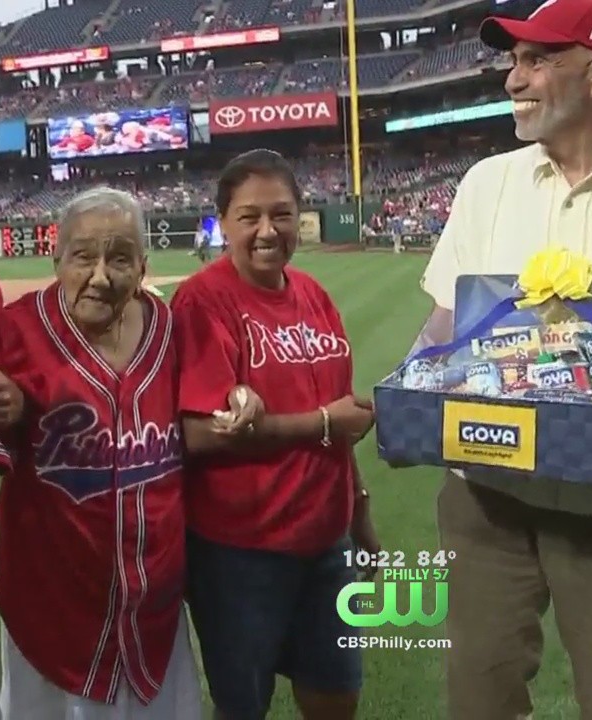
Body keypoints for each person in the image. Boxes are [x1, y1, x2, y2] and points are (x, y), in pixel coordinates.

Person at [411, 1, 592, 717]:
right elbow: (442, 323)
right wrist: (409, 386)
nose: (512, 80)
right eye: (512, 61)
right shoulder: (487, 183)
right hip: (487, 498)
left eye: (537, 60)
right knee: (479, 700)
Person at [0, 187, 212, 719]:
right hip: (53, 616)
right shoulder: (19, 331)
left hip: (153, 620)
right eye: (83, 256)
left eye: (119, 258)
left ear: (143, 266)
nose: (99, 275)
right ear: (57, 260)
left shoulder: (169, 328)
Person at [170, 150, 381, 720]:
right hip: (240, 551)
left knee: (337, 693)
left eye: (282, 214)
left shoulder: (314, 295)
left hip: (325, 540)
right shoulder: (203, 299)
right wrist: (324, 424)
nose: (268, 231)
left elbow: (340, 420)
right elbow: (201, 433)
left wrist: (359, 516)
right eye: (250, 217)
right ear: (225, 222)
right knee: (243, 706)